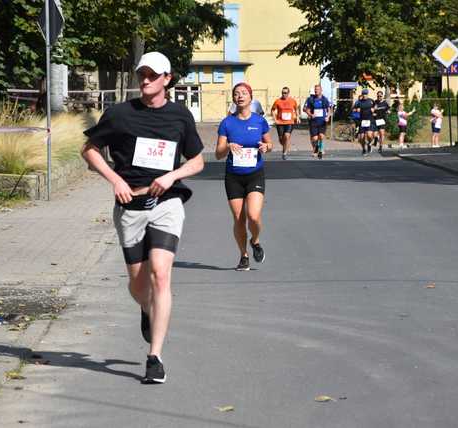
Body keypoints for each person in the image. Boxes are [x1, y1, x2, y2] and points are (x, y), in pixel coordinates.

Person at [81, 52, 204, 384]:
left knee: (161, 275)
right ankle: (146, 308)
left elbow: (197, 162)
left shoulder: (180, 116)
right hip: (130, 206)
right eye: (142, 75)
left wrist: (171, 176)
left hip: (167, 202)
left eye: (152, 75)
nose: (145, 80)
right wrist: (115, 179)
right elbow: (89, 149)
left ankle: (155, 356)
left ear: (167, 78)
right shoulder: (120, 114)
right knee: (138, 284)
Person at [215, 82, 272, 271]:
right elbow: (218, 153)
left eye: (244, 93)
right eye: (236, 93)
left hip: (255, 174)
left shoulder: (259, 121)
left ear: (250, 97)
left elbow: (270, 144)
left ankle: (255, 241)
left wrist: (266, 147)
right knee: (239, 219)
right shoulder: (227, 123)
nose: (240, 96)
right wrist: (228, 146)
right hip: (234, 176)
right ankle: (243, 256)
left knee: (253, 216)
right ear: (233, 98)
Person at [271, 87, 300, 160]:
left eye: (285, 93)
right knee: (281, 140)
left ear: (288, 93)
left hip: (290, 122)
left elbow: (296, 109)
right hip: (280, 122)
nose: (284, 94)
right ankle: (285, 146)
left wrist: (298, 117)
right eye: (283, 93)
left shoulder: (293, 101)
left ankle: (284, 153)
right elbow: (273, 110)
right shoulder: (277, 101)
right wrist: (275, 120)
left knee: (287, 136)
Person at [303, 84, 331, 159]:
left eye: (317, 89)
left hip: (322, 121)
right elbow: (307, 109)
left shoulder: (324, 99)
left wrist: (328, 117)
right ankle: (317, 148)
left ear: (321, 90)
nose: (316, 91)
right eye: (315, 90)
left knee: (321, 136)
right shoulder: (311, 99)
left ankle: (320, 149)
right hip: (314, 121)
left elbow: (329, 110)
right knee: (315, 138)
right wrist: (311, 114)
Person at [353, 88, 375, 156]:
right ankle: (364, 149)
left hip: (370, 120)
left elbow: (375, 106)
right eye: (363, 94)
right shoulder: (359, 102)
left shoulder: (371, 101)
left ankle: (370, 143)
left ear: (367, 94)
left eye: (366, 94)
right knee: (361, 138)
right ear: (362, 94)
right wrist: (356, 110)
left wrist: (373, 109)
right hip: (362, 121)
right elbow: (353, 108)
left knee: (369, 135)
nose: (364, 95)